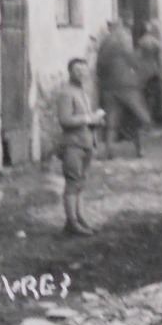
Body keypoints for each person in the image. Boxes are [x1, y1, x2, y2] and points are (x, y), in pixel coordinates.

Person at [56, 58, 107, 236]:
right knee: (72, 182)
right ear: (69, 72)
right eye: (77, 70)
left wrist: (96, 121)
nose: (81, 73)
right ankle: (71, 223)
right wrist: (88, 119)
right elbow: (65, 120)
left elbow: (85, 118)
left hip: (86, 143)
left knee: (81, 183)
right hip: (72, 145)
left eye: (84, 70)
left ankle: (81, 217)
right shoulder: (66, 93)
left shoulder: (83, 92)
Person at [97, 20, 151, 159]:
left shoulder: (104, 42)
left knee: (111, 122)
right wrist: (140, 74)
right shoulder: (124, 37)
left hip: (108, 86)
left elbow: (99, 66)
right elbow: (132, 59)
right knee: (142, 118)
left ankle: (111, 151)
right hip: (127, 86)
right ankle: (141, 149)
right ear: (120, 26)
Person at [135, 22, 162, 123]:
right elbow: (160, 58)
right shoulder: (156, 42)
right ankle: (151, 116)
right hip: (154, 70)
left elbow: (138, 57)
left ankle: (145, 117)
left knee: (144, 95)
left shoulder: (141, 41)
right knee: (153, 95)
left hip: (143, 71)